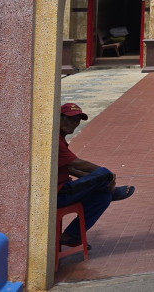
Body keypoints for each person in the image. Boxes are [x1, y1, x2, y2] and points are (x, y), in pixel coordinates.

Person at [57, 103, 135, 248]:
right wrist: (106, 175)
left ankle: (72, 236)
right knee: (103, 173)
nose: (74, 123)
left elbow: (70, 168)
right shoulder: (55, 140)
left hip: (64, 189)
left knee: (103, 196)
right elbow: (76, 163)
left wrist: (95, 179)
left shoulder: (61, 139)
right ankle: (112, 191)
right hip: (59, 193)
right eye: (71, 119)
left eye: (77, 120)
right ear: (59, 118)